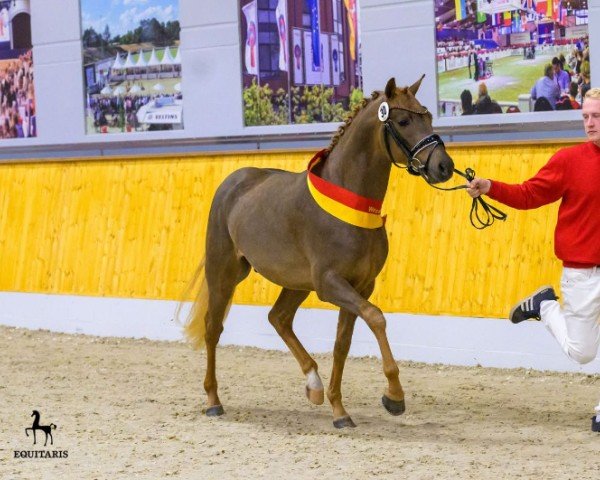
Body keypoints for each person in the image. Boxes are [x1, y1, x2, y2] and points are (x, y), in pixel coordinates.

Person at [466, 88, 600, 432]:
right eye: (585, 116)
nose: (590, 123)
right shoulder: (569, 162)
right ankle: (544, 306)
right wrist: (491, 186)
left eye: (596, 116)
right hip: (581, 275)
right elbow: (529, 194)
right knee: (582, 353)